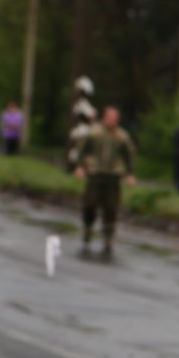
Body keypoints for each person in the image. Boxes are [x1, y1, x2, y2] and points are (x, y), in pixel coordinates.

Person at [70, 105, 138, 259]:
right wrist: (80, 167)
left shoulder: (122, 136)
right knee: (89, 204)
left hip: (113, 177)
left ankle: (108, 240)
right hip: (95, 174)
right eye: (110, 118)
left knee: (111, 209)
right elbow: (82, 150)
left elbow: (129, 155)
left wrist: (130, 174)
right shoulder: (94, 133)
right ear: (104, 118)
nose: (112, 121)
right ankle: (88, 230)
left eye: (115, 118)